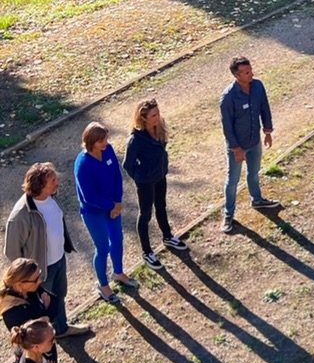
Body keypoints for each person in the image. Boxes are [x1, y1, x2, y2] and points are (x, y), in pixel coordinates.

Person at [4, 163, 90, 339]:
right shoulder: (20, 215)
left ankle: (60, 329)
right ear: (40, 185)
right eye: (53, 180)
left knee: (59, 298)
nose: (58, 181)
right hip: (41, 271)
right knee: (41, 307)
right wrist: (29, 275)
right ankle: (43, 340)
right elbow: (12, 252)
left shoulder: (49, 197)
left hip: (58, 259)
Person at [74, 122, 138, 305]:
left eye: (106, 139)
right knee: (102, 248)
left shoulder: (108, 151)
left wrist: (117, 201)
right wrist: (110, 206)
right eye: (101, 141)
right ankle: (103, 285)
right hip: (94, 213)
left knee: (117, 240)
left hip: (113, 207)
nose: (106, 143)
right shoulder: (83, 163)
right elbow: (88, 196)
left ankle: (118, 273)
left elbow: (117, 176)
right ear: (91, 142)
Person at [123, 98, 188, 268]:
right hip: (145, 181)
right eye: (153, 115)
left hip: (160, 176)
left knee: (161, 206)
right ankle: (147, 252)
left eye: (158, 113)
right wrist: (140, 177)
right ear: (143, 117)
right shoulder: (136, 139)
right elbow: (127, 165)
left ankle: (167, 236)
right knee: (145, 215)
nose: (157, 117)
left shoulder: (159, 127)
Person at [219, 56, 281, 233]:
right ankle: (228, 214)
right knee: (233, 181)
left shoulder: (258, 86)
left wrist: (267, 132)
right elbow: (227, 126)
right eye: (246, 72)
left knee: (253, 173)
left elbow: (264, 108)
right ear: (236, 75)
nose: (251, 74)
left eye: (251, 70)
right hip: (237, 145)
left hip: (254, 141)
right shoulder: (228, 97)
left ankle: (257, 199)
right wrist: (237, 149)